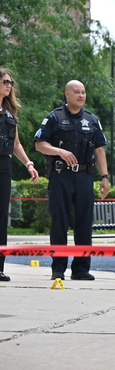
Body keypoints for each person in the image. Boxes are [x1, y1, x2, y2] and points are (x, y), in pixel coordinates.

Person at [34, 80, 110, 281]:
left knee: (85, 223)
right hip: (61, 176)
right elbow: (39, 144)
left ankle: (81, 269)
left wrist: (105, 177)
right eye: (76, 92)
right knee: (60, 222)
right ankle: (58, 269)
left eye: (83, 92)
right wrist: (59, 151)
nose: (81, 95)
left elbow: (100, 150)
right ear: (67, 94)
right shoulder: (54, 117)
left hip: (85, 176)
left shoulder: (92, 120)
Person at [0, 68, 40, 281]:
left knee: (1, 217)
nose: (9, 85)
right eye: (6, 81)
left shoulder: (10, 112)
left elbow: (16, 144)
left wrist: (29, 164)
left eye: (11, 82)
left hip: (4, 165)